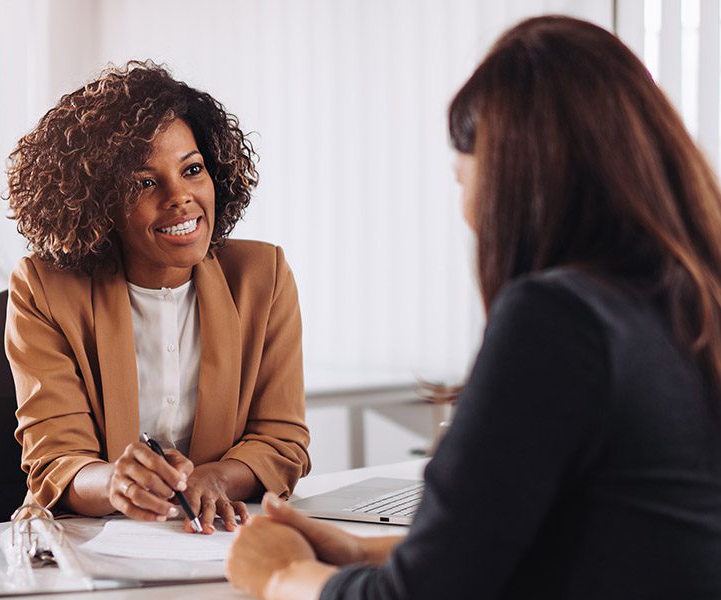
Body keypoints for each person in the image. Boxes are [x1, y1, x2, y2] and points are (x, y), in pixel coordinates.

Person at [227, 15, 721, 598]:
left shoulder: (559, 320)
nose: (466, 211)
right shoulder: (688, 302)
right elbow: (603, 532)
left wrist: (282, 575)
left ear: (514, 179)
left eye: (462, 180)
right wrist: (364, 549)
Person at [4, 61, 310, 534]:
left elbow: (281, 440)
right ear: (99, 200)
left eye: (192, 170)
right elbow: (57, 460)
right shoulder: (43, 288)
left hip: (216, 539)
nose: (181, 197)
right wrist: (115, 483)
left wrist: (215, 479)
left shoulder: (261, 277)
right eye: (145, 182)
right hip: (87, 544)